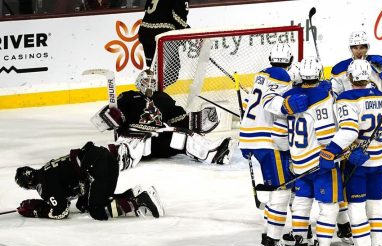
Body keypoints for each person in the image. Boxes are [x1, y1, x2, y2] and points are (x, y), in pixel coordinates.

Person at [323, 59, 382, 246]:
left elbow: (348, 132)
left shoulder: (345, 99)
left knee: (356, 207)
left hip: (358, 164)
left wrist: (331, 150)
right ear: (368, 77)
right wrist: (379, 134)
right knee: (375, 205)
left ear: (349, 78)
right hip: (379, 161)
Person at [330, 30, 382, 244]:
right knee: (347, 185)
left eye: (363, 46)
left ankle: (370, 226)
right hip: (352, 137)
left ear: (368, 47)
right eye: (355, 47)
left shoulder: (379, 66)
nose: (359, 51)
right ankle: (347, 224)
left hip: (377, 136)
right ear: (350, 49)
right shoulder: (340, 70)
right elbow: (333, 98)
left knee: (379, 184)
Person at [91, 69, 233, 171]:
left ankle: (214, 152)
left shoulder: (163, 98)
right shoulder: (128, 96)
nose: (150, 84)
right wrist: (112, 116)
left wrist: (196, 120)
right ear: (139, 82)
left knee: (182, 136)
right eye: (147, 81)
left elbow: (177, 117)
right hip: (135, 135)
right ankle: (117, 158)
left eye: (153, 81)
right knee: (132, 143)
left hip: (158, 140)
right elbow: (102, 120)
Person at [239, 43, 303, 246]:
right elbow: (274, 104)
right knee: (282, 190)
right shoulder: (282, 75)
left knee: (279, 189)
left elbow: (249, 103)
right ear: (290, 59)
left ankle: (271, 237)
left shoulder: (261, 75)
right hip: (267, 140)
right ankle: (271, 244)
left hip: (249, 136)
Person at [279, 56, 344, 246]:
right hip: (319, 162)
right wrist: (339, 152)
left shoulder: (288, 96)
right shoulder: (322, 96)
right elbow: (326, 136)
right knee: (328, 206)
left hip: (297, 162)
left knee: (301, 204)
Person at [15, 141, 164, 221]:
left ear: (28, 185)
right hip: (105, 159)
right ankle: (130, 195)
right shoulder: (46, 170)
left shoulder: (44, 187)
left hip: (98, 168)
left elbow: (61, 212)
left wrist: (38, 211)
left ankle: (139, 200)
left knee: (97, 211)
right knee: (84, 204)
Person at [138, 0, 189, 86]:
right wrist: (189, 31)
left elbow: (148, 9)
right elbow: (178, 19)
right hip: (161, 35)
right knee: (171, 73)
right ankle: (156, 95)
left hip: (145, 33)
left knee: (153, 71)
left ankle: (147, 95)